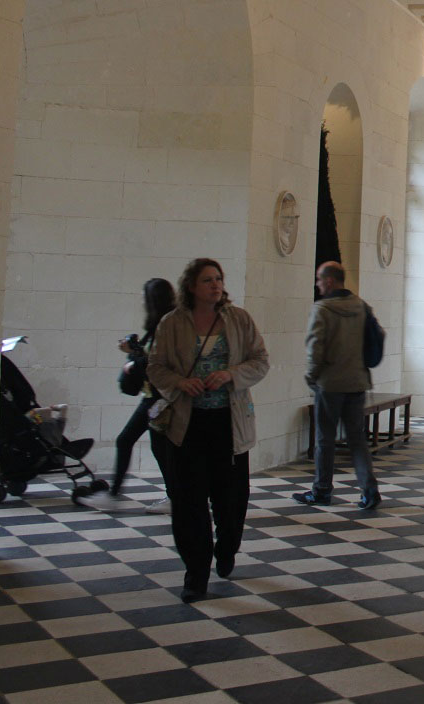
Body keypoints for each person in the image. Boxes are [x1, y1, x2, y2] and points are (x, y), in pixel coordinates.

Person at [147, 257, 270, 603]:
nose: (215, 285)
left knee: (231, 501)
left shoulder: (239, 319)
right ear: (191, 286)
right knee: (188, 503)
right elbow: (156, 367)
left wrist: (231, 375)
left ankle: (227, 547)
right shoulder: (172, 324)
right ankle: (195, 572)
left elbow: (260, 361)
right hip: (188, 426)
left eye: (218, 279)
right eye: (207, 280)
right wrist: (180, 383)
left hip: (229, 424)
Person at [78, 278, 177, 513]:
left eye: (144, 297)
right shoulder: (162, 324)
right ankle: (174, 496)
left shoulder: (167, 325)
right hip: (154, 396)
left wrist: (133, 356)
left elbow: (157, 360)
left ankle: (114, 495)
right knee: (157, 447)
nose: (142, 301)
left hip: (158, 398)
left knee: (127, 440)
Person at [294, 262, 379, 511]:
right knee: (357, 440)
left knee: (325, 440)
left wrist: (312, 377)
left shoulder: (322, 309)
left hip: (329, 384)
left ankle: (321, 490)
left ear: (330, 281)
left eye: (319, 280)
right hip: (357, 381)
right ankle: (370, 491)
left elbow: (315, 348)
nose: (317, 284)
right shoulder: (361, 307)